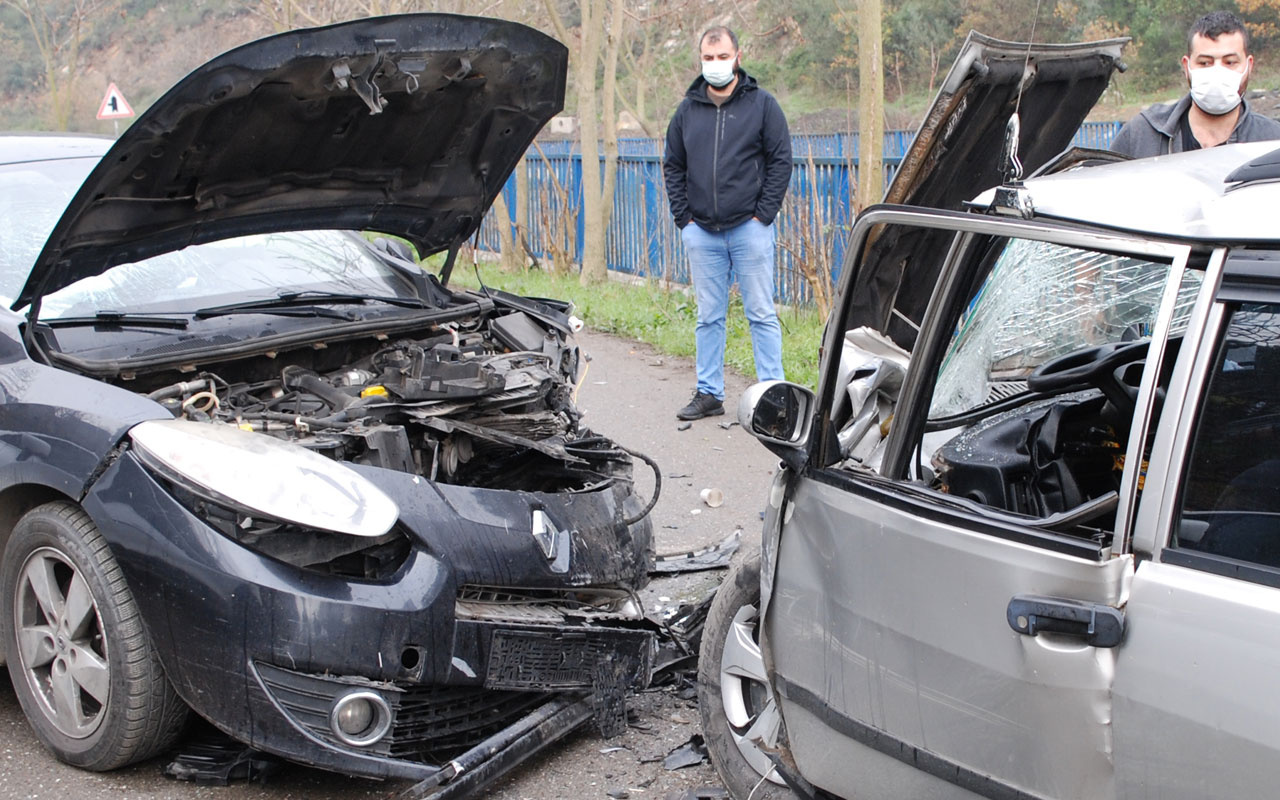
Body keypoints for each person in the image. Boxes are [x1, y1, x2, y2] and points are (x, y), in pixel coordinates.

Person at [663, 26, 792, 421]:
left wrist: (763, 214)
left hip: (749, 228)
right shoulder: (686, 110)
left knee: (761, 313)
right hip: (701, 231)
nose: (714, 65)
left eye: (722, 57)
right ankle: (709, 393)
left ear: (738, 56)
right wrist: (684, 219)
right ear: (700, 59)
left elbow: (781, 160)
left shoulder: (762, 105)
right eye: (708, 58)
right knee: (708, 316)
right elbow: (673, 165)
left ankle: (774, 397)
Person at [1111, 11, 1280, 157]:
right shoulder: (1142, 135)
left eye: (1230, 62)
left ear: (1248, 66)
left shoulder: (1273, 141)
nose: (1217, 72)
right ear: (1187, 66)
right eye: (1205, 63)